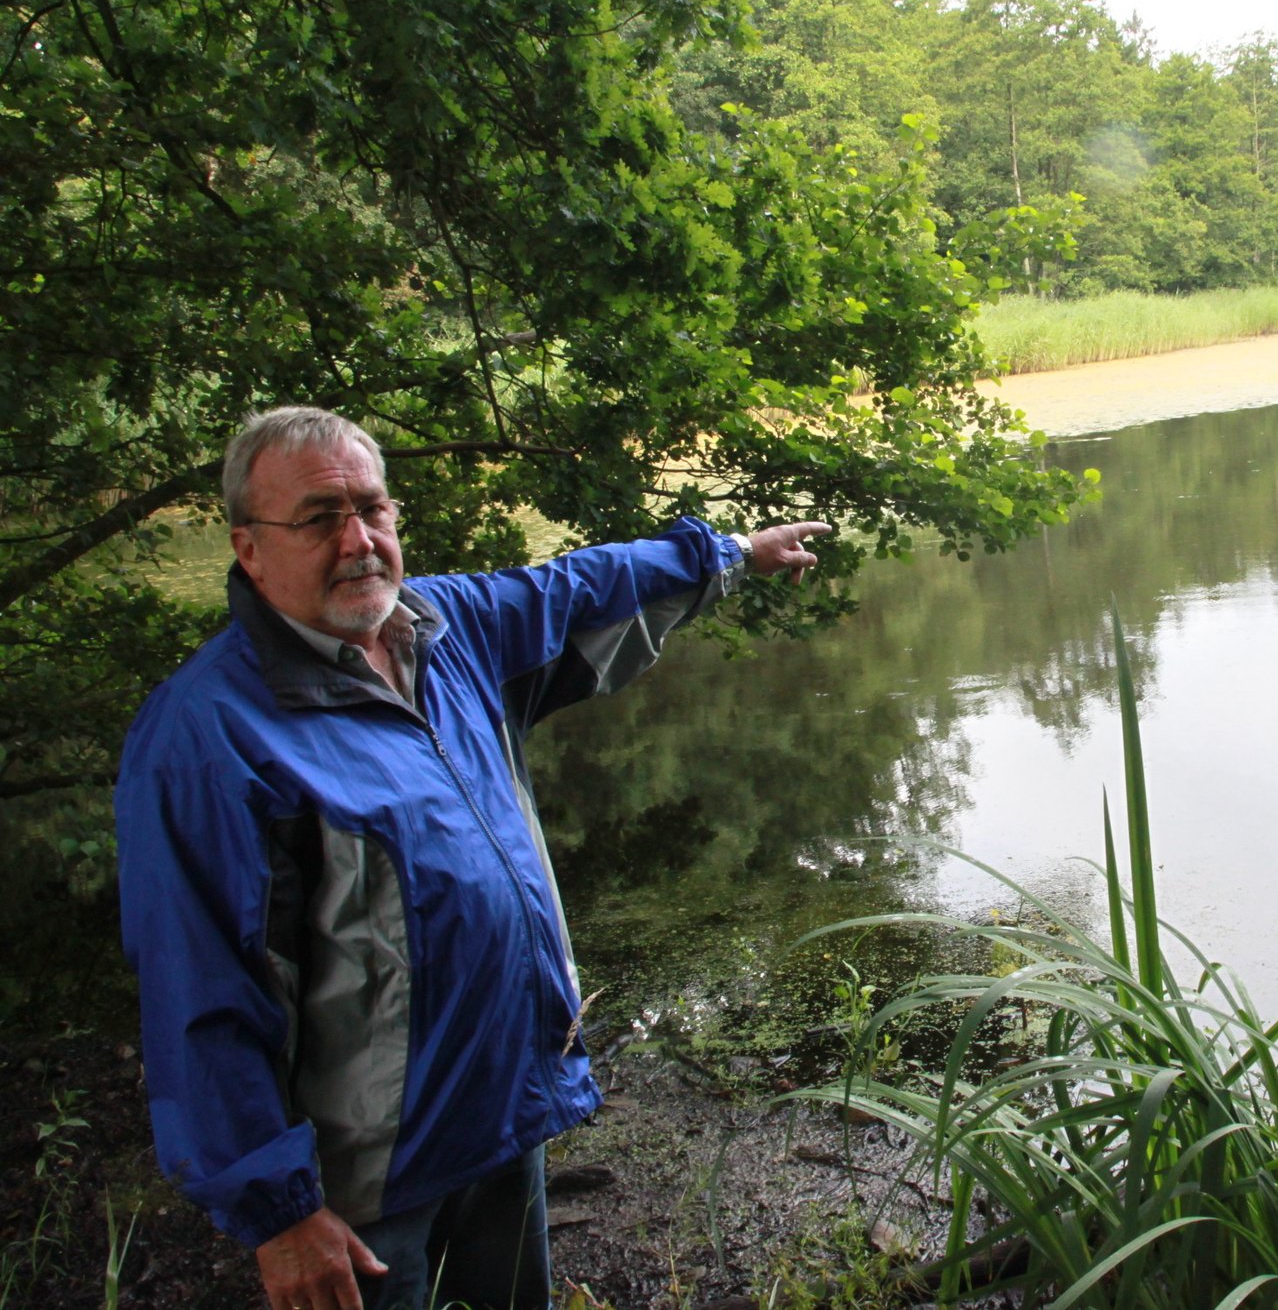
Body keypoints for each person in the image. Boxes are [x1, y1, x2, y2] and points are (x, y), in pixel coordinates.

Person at [115, 406, 828, 1310]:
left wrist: (728, 555)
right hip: (371, 1185)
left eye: (373, 508)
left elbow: (577, 586)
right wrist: (278, 1211)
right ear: (249, 548)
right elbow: (199, 991)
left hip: (501, 1115)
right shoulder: (209, 734)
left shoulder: (444, 631)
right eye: (320, 517)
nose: (359, 539)